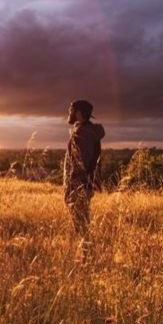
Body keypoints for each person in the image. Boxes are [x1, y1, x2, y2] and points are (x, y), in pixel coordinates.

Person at [64, 100, 105, 256]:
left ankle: (86, 256)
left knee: (80, 222)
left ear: (79, 113)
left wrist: (75, 185)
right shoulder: (84, 131)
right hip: (82, 184)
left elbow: (83, 163)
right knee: (81, 221)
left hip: (79, 185)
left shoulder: (83, 133)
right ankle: (85, 254)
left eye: (71, 110)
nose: (69, 113)